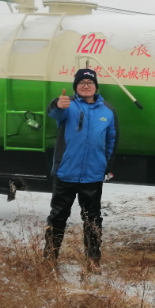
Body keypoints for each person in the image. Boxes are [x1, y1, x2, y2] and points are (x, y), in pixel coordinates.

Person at [43, 68, 117, 267]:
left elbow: (111, 140)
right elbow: (53, 112)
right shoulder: (68, 106)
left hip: (92, 176)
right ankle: (49, 259)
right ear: (76, 86)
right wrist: (57, 104)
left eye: (90, 82)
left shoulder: (107, 111)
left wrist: (106, 165)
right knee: (58, 217)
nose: (86, 85)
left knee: (93, 220)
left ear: (96, 87)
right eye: (81, 82)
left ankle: (93, 261)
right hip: (66, 173)